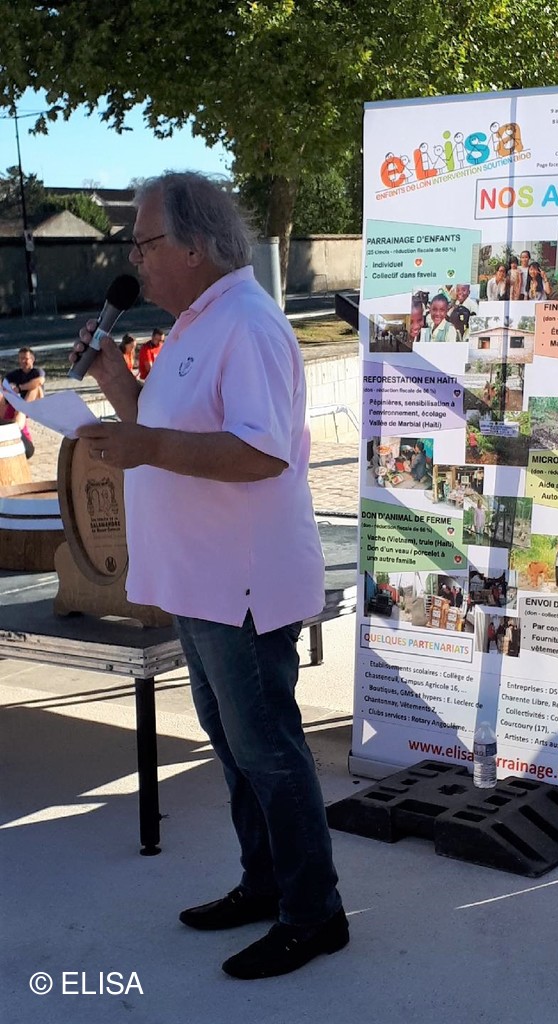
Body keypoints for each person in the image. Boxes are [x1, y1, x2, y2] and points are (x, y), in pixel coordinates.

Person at [71, 172, 347, 977]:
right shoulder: (197, 324)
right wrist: (115, 382)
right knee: (234, 747)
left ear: (194, 246)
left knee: (269, 752)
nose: (135, 259)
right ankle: (265, 884)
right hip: (199, 582)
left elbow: (261, 452)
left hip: (242, 586)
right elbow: (165, 427)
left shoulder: (248, 325)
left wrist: (148, 446)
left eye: (146, 243)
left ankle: (314, 914)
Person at [0, 347, 45, 459]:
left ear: (32, 359)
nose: (23, 361)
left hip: (35, 403)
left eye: (26, 358)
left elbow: (40, 381)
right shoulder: (15, 374)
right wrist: (10, 388)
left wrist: (20, 388)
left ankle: (22, 410)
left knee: (35, 387)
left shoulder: (37, 372)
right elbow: (4, 382)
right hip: (17, 403)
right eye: (21, 359)